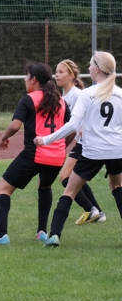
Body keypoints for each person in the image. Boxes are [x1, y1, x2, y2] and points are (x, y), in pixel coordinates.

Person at [37, 52, 122, 247]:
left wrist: (46, 139)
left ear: (97, 69)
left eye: (91, 65)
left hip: (92, 152)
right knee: (117, 187)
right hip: (117, 151)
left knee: (69, 191)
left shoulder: (86, 94)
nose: (89, 68)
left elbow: (73, 125)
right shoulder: (120, 94)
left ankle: (54, 236)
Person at [0, 63, 70, 245]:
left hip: (35, 153)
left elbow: (15, 125)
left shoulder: (28, 99)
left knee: (3, 188)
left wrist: (3, 137)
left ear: (34, 80)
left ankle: (1, 235)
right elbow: (71, 129)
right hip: (57, 157)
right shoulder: (61, 101)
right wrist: (61, 147)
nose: (25, 80)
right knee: (45, 187)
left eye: (26, 76)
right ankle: (42, 232)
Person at [54, 59, 106, 224]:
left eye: (61, 72)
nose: (56, 75)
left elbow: (89, 116)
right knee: (75, 178)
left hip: (86, 142)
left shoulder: (77, 95)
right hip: (81, 142)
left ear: (71, 76)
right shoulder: (64, 97)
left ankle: (91, 209)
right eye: (56, 72)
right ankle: (97, 212)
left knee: (65, 176)